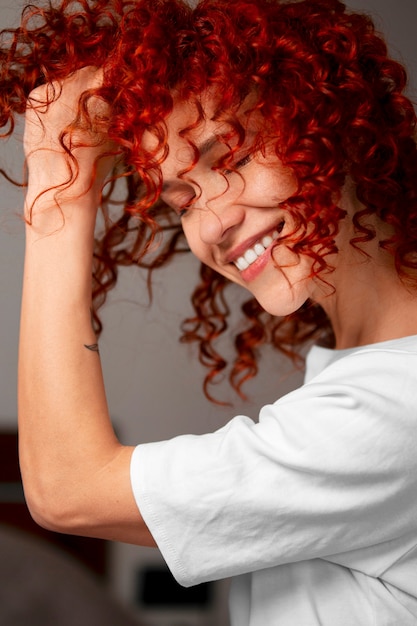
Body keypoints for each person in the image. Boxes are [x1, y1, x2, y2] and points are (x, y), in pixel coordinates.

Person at [2, 0, 417, 623]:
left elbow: (66, 491)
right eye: (184, 199)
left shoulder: (395, 405)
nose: (214, 224)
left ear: (330, 127)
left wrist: (59, 182)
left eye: (234, 158)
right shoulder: (360, 378)